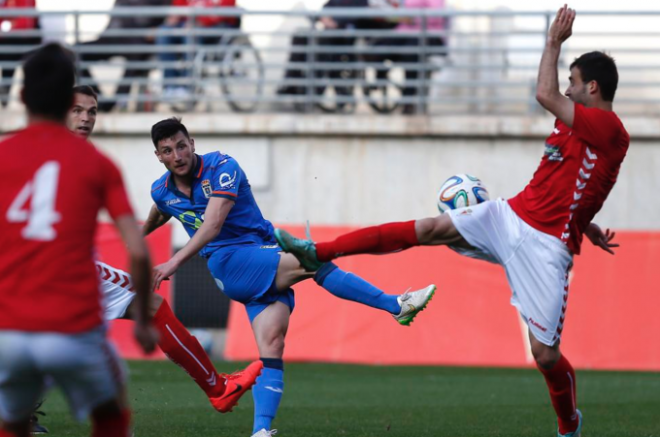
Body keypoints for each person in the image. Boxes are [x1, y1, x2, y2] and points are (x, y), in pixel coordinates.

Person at [275, 6, 628, 437]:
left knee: (546, 356)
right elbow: (575, 180)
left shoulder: (610, 129)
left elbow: (544, 94)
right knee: (428, 229)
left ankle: (569, 423)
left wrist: (554, 41)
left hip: (545, 248)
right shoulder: (577, 126)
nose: (566, 91)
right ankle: (319, 250)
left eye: (573, 82)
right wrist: (587, 224)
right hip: (510, 214)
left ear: (592, 86)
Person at [145, 117, 436, 437]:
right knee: (309, 262)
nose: (178, 155)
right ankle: (395, 305)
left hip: (261, 252)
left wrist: (170, 259)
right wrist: (136, 237)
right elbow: (162, 209)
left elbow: (213, 222)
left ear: (192, 143)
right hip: (230, 263)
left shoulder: (221, 167)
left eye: (182, 146)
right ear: (159, 156)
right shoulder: (161, 189)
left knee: (272, 344)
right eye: (168, 151)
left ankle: (260, 431)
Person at [65, 84, 263, 416]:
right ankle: (218, 388)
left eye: (93, 112)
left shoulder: (66, 155)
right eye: (77, 110)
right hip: (56, 265)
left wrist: (140, 232)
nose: (86, 118)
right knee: (148, 308)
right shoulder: (67, 157)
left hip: (45, 263)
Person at [0, 43, 157, 437]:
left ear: (21, 97)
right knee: (110, 415)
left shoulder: (3, 155)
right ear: (66, 100)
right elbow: (138, 251)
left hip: (10, 331)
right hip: (73, 329)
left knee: (11, 421)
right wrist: (140, 322)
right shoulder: (98, 163)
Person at [77, 0, 172, 112]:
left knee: (137, 51)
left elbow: (169, 21)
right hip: (113, 39)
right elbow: (112, 25)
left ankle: (118, 100)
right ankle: (98, 99)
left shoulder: (162, 2)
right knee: (76, 51)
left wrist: (156, 31)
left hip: (140, 43)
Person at [368, 0, 446, 115]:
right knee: (375, 49)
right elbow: (397, 12)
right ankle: (380, 78)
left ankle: (408, 101)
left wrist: (412, 18)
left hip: (427, 35)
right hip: (403, 33)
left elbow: (436, 16)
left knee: (410, 54)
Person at [156, 0, 238, 98]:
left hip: (214, 27)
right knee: (164, 32)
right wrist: (174, 18)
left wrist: (201, 22)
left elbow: (226, 9)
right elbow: (179, 6)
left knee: (190, 35)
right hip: (188, 24)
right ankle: (170, 86)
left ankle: (186, 86)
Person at [0, 0, 41, 108]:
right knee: (8, 71)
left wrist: (37, 32)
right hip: (11, 38)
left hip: (28, 38)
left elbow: (33, 15)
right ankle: (5, 101)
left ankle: (32, 103)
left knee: (31, 71)